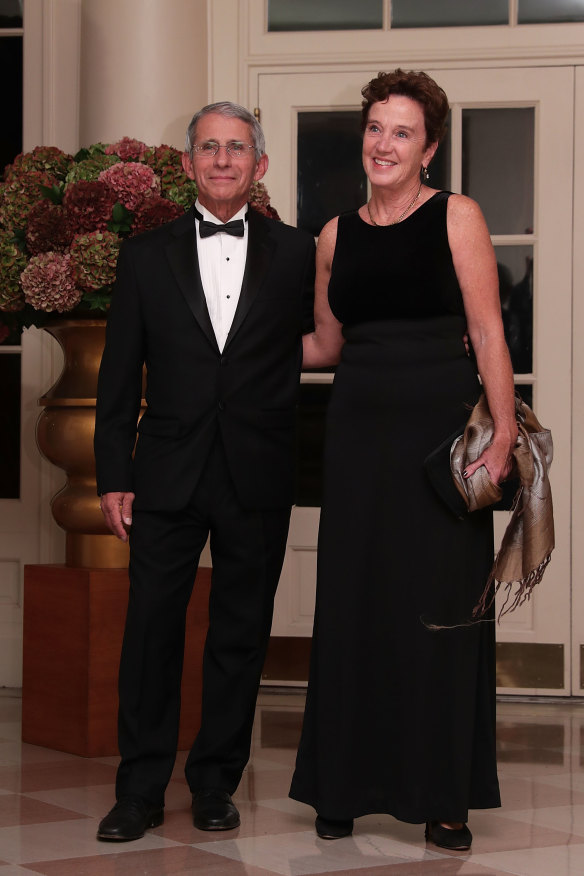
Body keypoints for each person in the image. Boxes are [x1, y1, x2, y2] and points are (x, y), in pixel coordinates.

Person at [289, 69, 517, 851]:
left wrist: (505, 438)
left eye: (403, 132)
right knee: (353, 602)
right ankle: (342, 785)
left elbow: (488, 333)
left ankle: (442, 796)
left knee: (440, 611)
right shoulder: (332, 235)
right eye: (376, 127)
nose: (384, 144)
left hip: (440, 438)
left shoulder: (458, 216)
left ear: (431, 148)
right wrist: (233, 357)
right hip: (356, 438)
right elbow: (324, 343)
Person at [94, 101, 315, 841]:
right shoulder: (145, 256)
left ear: (260, 165)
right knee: (152, 630)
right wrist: (112, 473)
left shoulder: (298, 252)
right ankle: (138, 790)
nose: (223, 160)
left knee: (240, 635)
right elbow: (118, 377)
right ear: (186, 165)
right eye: (209, 148)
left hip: (258, 471)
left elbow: (333, 345)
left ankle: (217, 782)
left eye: (237, 148)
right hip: (165, 472)